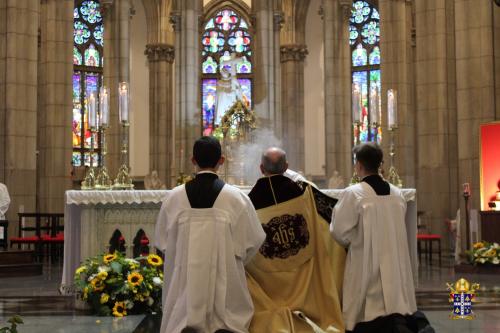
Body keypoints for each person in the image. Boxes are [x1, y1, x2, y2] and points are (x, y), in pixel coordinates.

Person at [154, 136, 266, 333]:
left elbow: (163, 244)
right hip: (226, 292)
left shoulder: (174, 198)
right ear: (221, 161)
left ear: (193, 161)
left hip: (183, 294)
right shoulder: (236, 198)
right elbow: (253, 242)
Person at [246, 147, 345, 333]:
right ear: (286, 167)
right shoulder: (305, 193)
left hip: (268, 283)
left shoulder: (248, 202)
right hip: (304, 285)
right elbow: (335, 214)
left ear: (261, 168)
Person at [330, 143, 421, 333]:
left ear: (359, 165)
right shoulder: (397, 194)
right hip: (394, 262)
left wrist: (356, 239)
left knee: (364, 312)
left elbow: (339, 231)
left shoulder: (354, 194)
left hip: (365, 262)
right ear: (380, 164)